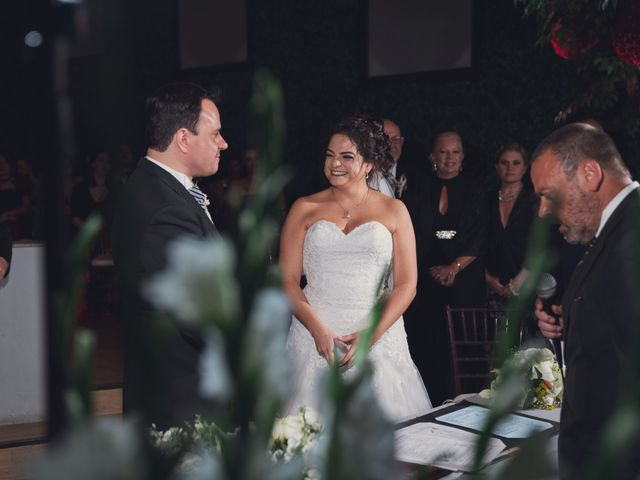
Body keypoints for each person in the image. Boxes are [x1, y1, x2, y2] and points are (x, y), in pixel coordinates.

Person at [279, 113, 431, 422]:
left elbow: (406, 284)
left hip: (376, 333)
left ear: (369, 164)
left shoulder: (394, 210)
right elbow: (288, 280)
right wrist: (316, 329)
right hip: (314, 334)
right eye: (330, 155)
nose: (335, 163)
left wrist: (371, 335)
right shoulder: (304, 208)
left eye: (347, 156)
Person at [112, 82, 228, 427]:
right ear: (183, 138)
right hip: (180, 402)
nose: (224, 144)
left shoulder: (152, 186)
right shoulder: (165, 209)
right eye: (216, 135)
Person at [532, 123, 640, 479]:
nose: (543, 211)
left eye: (549, 195)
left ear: (590, 173)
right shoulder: (614, 230)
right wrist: (571, 322)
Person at [485, 143, 536, 304]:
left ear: (525, 168)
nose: (510, 167)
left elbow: (544, 243)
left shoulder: (535, 200)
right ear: (497, 167)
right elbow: (477, 241)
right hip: (490, 287)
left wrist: (521, 279)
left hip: (528, 286)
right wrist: (487, 279)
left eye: (516, 163)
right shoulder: (485, 200)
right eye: (504, 162)